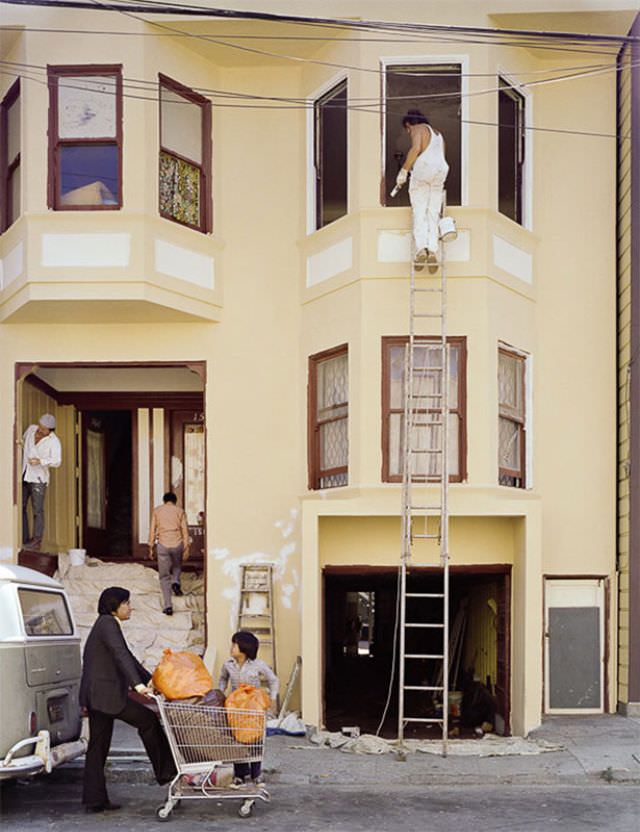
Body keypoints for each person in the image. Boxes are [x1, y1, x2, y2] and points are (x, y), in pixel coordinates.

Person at [80, 586, 177, 812]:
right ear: (115, 605)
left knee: (97, 748)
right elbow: (120, 655)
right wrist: (139, 686)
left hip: (98, 695)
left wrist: (153, 680)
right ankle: (167, 773)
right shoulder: (108, 623)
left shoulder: (106, 624)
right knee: (148, 719)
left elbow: (129, 658)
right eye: (126, 603)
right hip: (106, 695)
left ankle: (95, 800)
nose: (130, 607)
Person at [218, 631, 279, 788]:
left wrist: (272, 698)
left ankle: (256, 773)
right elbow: (223, 679)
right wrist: (221, 693)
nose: (231, 648)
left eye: (234, 645)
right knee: (237, 739)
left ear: (244, 647)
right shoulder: (228, 664)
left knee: (255, 740)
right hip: (236, 708)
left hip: (253, 707)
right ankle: (240, 774)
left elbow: (273, 680)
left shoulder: (258, 665)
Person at [395, 109, 450, 269]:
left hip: (424, 168)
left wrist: (404, 171)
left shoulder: (417, 129)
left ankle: (421, 249)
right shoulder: (439, 135)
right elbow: (440, 157)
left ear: (408, 125)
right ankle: (433, 250)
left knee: (420, 210)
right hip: (440, 170)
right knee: (433, 212)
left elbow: (416, 149)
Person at [21, 413, 62, 550]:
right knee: (21, 506)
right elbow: (23, 442)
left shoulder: (54, 441)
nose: (40, 429)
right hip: (25, 472)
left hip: (39, 478)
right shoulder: (31, 429)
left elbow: (57, 461)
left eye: (43, 428)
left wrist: (40, 461)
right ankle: (24, 538)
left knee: (37, 509)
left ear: (50, 430)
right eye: (40, 426)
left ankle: (37, 539)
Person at [148, 492, 190, 616]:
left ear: (164, 500)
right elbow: (185, 530)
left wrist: (151, 546)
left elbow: (152, 529)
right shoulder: (180, 511)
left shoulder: (157, 511)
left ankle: (168, 605)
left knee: (164, 576)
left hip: (163, 544)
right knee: (177, 565)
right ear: (175, 501)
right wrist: (186, 547)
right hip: (177, 544)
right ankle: (176, 581)